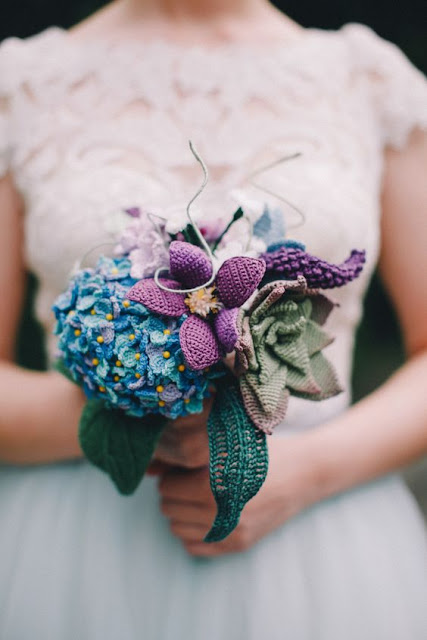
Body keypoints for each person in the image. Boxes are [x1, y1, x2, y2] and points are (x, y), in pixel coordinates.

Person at [0, 0, 426, 638]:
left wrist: (302, 474)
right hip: (85, 539)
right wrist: (142, 415)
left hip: (318, 534)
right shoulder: (21, 88)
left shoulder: (368, 82)